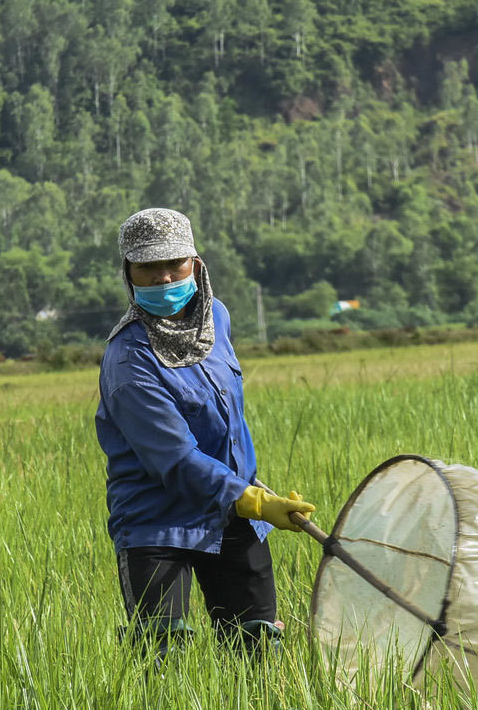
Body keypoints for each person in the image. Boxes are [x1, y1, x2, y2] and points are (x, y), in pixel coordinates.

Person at [95, 207, 316, 659]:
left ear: (195, 263)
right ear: (128, 273)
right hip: (158, 523)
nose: (163, 277)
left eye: (174, 263)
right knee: (163, 655)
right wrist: (254, 501)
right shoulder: (128, 360)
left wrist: (247, 497)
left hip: (233, 513)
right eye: (148, 267)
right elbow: (174, 458)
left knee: (257, 645)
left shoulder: (216, 317)